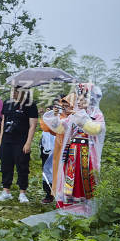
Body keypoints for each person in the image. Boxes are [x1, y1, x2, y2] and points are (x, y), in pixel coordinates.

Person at [41, 83, 105, 213]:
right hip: (71, 154)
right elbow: (59, 128)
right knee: (70, 180)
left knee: (87, 180)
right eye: (78, 99)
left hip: (88, 154)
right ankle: (70, 208)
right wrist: (54, 116)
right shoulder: (73, 115)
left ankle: (87, 209)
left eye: (83, 99)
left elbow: (96, 129)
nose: (79, 102)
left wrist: (81, 117)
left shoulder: (96, 115)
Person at [0, 87, 38, 203]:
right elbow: (3, 121)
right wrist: (1, 138)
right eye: (12, 91)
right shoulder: (7, 103)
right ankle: (6, 191)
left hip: (21, 141)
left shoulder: (30, 105)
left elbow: (33, 125)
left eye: (15, 91)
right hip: (7, 139)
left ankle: (22, 192)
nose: (13, 93)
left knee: (22, 166)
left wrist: (28, 142)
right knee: (5, 165)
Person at [39, 102, 57, 204]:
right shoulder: (49, 115)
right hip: (46, 146)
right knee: (47, 169)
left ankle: (60, 194)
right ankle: (49, 194)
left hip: (59, 146)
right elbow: (44, 126)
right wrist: (44, 115)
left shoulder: (65, 116)